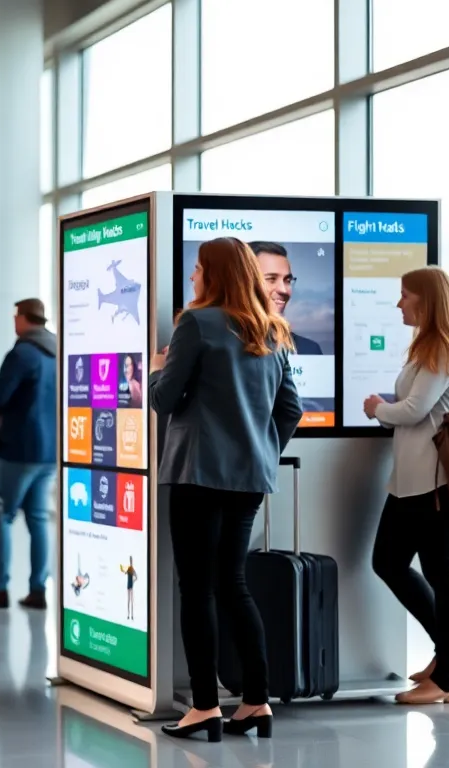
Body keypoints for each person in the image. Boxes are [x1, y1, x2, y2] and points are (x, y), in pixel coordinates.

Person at [151, 237, 303, 742]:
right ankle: (256, 703)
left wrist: (154, 371)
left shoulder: (197, 323)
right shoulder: (273, 329)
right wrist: (261, 448)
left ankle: (204, 707)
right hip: (249, 479)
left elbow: (165, 398)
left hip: (198, 472)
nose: (192, 277)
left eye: (197, 269)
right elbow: (290, 410)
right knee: (233, 585)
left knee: (197, 590)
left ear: (212, 274)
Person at [365, 266, 449, 705]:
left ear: (427, 301)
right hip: (416, 480)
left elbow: (413, 410)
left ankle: (447, 676)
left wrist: (378, 407)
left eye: (405, 295)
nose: (399, 303)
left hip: (434, 484)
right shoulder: (433, 346)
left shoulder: (446, 349)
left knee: (433, 572)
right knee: (395, 563)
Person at [0, 298, 57, 612]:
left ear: (22, 319)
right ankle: (38, 589)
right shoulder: (57, 350)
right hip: (49, 452)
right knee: (37, 519)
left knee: (3, 516)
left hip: (18, 449)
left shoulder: (22, 352)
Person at [248, 241, 324, 355]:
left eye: (287, 281)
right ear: (245, 283)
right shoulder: (219, 348)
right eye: (271, 279)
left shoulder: (308, 350)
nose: (283, 290)